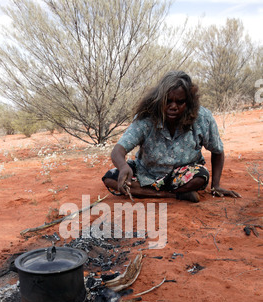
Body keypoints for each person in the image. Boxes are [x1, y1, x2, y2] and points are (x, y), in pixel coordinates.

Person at [102, 71, 241, 203]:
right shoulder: (146, 118)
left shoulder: (203, 118)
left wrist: (216, 185)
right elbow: (118, 150)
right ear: (159, 100)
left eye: (180, 102)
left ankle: (144, 191)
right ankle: (171, 194)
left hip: (181, 176)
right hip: (146, 172)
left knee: (201, 176)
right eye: (168, 101)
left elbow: (217, 150)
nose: (173, 107)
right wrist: (123, 166)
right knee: (110, 177)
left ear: (189, 102)